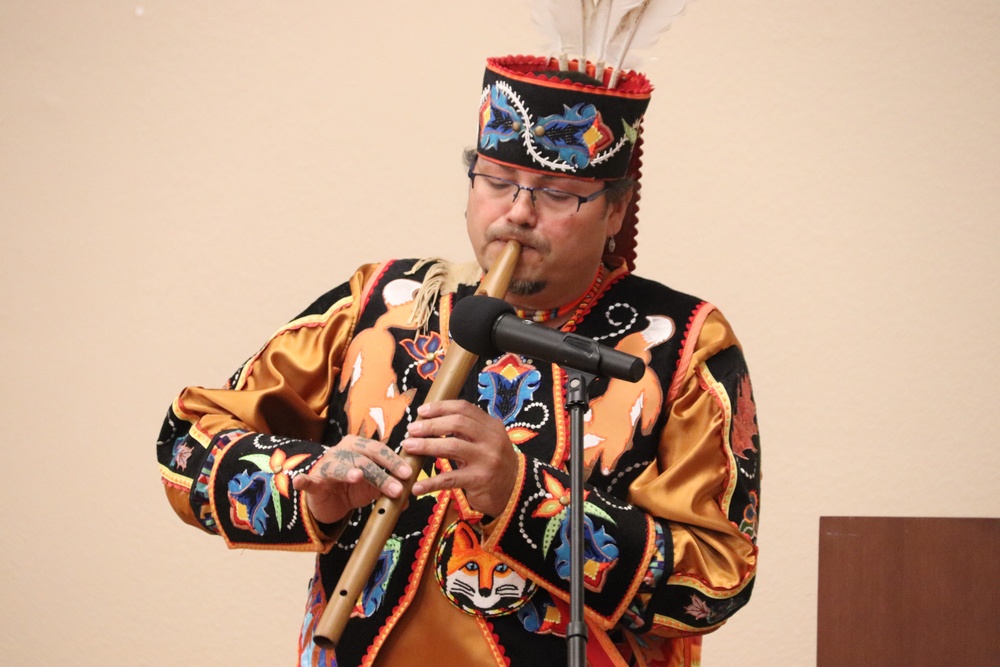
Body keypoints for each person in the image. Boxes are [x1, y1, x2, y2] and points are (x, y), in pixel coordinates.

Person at [157, 52, 760, 667]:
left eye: (556, 193)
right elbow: (186, 444)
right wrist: (312, 485)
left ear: (614, 209)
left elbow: (717, 577)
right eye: (497, 181)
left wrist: (521, 494)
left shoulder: (677, 342)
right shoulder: (385, 303)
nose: (519, 213)